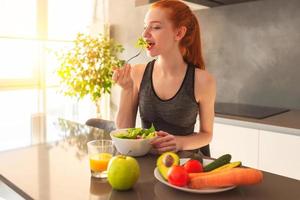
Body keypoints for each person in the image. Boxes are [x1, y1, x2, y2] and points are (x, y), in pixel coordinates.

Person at [112, 0, 216, 156]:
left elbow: (207, 135)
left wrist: (179, 142)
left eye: (155, 27)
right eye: (145, 27)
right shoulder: (138, 73)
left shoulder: (203, 81)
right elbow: (124, 132)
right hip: (147, 162)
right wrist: (127, 89)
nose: (145, 34)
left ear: (179, 33)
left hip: (184, 165)